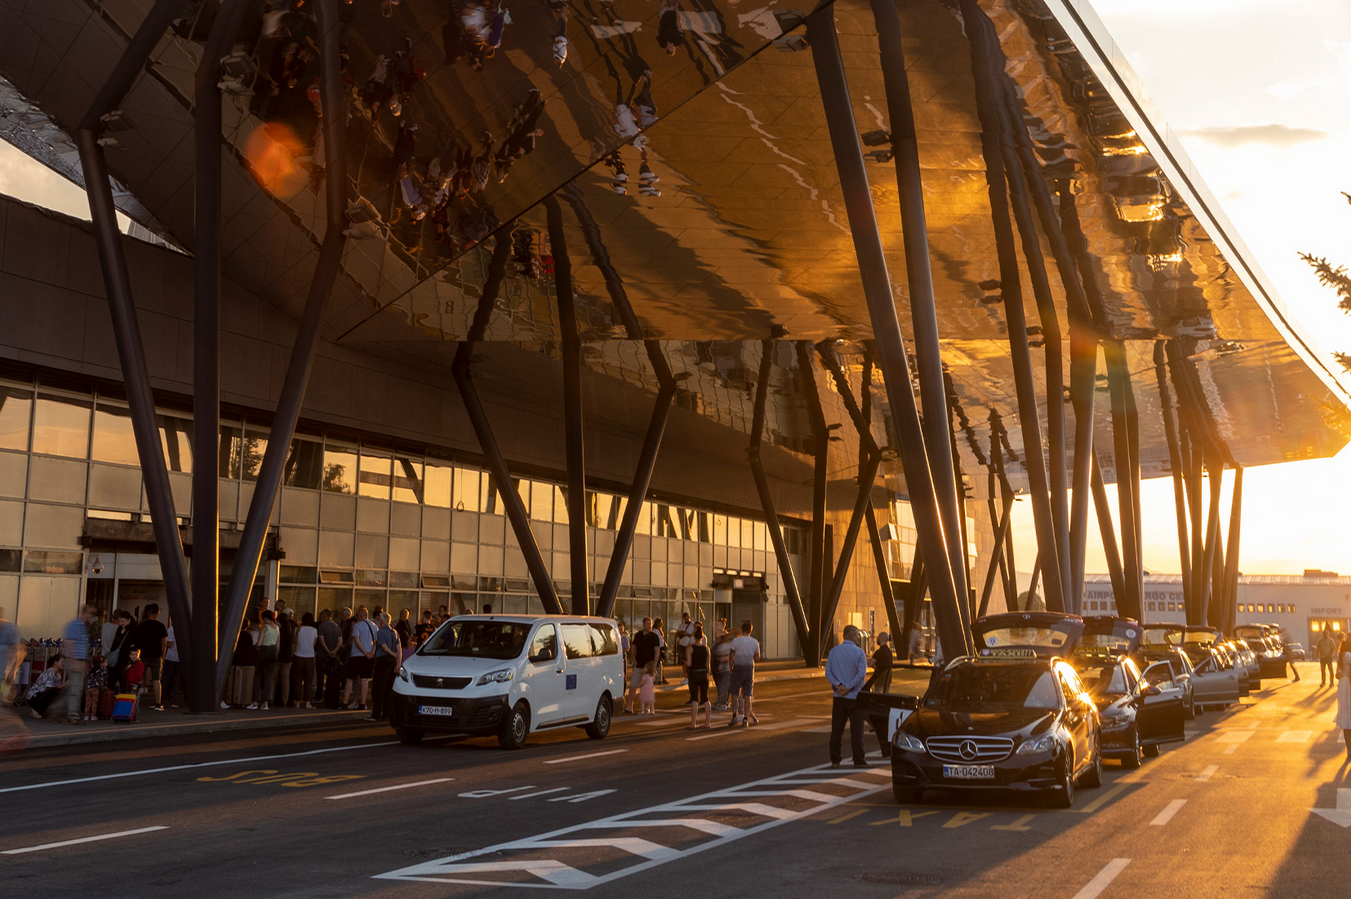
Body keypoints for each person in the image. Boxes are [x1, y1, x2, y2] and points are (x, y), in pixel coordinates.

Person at [825, 624, 870, 768]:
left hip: (838, 696)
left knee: (836, 730)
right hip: (855, 696)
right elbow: (861, 674)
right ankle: (859, 760)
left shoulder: (833, 651)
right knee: (857, 731)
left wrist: (838, 685)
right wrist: (848, 686)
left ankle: (835, 760)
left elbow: (828, 672)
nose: (858, 638)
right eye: (857, 635)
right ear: (852, 636)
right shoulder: (859, 653)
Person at [129, 603, 168, 710]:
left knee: (138, 679)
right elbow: (164, 643)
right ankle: (158, 704)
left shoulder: (141, 625)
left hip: (143, 655)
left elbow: (136, 640)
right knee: (156, 680)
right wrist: (162, 656)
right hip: (156, 655)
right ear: (157, 612)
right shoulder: (160, 626)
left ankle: (133, 701)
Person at [62, 605, 96, 725]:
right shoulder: (75, 625)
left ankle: (59, 710)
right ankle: (72, 715)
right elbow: (70, 643)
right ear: (84, 613)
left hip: (80, 660)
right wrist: (73, 660)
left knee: (76, 688)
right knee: (75, 689)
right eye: (90, 613)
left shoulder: (83, 626)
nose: (91, 617)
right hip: (75, 660)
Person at [344, 608, 378, 710]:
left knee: (350, 679)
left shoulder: (357, 626)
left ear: (361, 616)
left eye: (357, 615)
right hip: (369, 656)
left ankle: (345, 702)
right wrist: (371, 652)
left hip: (357, 655)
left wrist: (364, 652)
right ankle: (363, 703)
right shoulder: (375, 626)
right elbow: (376, 641)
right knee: (365, 680)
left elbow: (357, 641)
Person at [626, 617, 662, 714]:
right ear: (643, 624)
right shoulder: (638, 635)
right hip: (639, 664)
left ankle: (647, 707)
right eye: (647, 623)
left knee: (648, 687)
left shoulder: (654, 637)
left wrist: (654, 664)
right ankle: (630, 706)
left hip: (649, 666)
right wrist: (633, 660)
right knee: (633, 686)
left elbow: (657, 651)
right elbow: (633, 647)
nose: (649, 625)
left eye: (650, 624)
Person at [728, 620, 760, 727]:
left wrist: (730, 668)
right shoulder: (754, 642)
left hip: (737, 668)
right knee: (747, 695)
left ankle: (734, 716)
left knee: (735, 694)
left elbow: (731, 656)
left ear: (742, 630)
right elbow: (757, 656)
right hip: (749, 669)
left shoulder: (736, 641)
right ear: (751, 631)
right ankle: (746, 719)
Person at [370, 611, 401, 721]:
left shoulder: (381, 632)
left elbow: (384, 647)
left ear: (382, 621)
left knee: (378, 688)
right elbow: (399, 649)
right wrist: (398, 663)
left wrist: (392, 654)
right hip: (392, 662)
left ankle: (376, 713)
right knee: (389, 688)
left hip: (382, 661)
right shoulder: (395, 632)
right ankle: (386, 713)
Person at [249, 609, 280, 710]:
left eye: (263, 618)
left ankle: (255, 702)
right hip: (274, 652)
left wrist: (254, 647)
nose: (261, 620)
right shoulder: (277, 628)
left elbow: (259, 643)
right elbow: (278, 645)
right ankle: (266, 703)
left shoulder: (264, 628)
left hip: (264, 651)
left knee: (257, 676)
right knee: (269, 678)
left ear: (266, 618)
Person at [316, 608, 344, 708]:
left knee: (320, 676)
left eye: (322, 615)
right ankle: (331, 695)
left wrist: (327, 651)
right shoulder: (337, 627)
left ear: (326, 616)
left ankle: (319, 696)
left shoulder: (321, 627)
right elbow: (340, 641)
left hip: (322, 655)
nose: (320, 617)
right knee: (331, 677)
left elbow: (321, 641)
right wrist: (334, 651)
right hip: (332, 657)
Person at [685, 624, 712, 729]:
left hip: (694, 673)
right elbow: (707, 665)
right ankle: (707, 722)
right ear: (702, 637)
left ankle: (693, 723)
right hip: (704, 674)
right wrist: (707, 675)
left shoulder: (690, 648)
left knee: (694, 699)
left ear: (693, 636)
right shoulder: (706, 649)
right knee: (706, 699)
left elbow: (689, 663)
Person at [25, 653, 66, 718]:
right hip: (34, 696)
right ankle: (36, 710)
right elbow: (50, 689)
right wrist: (65, 684)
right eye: (62, 662)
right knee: (51, 693)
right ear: (55, 662)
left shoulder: (58, 674)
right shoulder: (49, 673)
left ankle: (42, 711)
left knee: (58, 693)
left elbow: (57, 689)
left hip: (41, 695)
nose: (63, 664)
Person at [292, 612, 318, 709]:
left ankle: (297, 702)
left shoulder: (297, 629)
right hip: (310, 657)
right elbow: (314, 644)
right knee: (308, 680)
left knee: (297, 679)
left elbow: (295, 641)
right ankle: (307, 703)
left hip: (298, 656)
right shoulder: (314, 630)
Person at [1336, 632, 1351, 759]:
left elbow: (1337, 674)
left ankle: (1349, 749)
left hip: (1342, 685)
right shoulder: (1349, 656)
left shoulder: (1340, 656)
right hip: (1349, 686)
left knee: (1346, 718)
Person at [276, 608, 295, 706]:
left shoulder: (278, 629)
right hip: (288, 656)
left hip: (278, 656)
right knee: (285, 679)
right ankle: (285, 699)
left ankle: (272, 698)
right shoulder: (292, 627)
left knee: (274, 678)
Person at [711, 631, 733, 710]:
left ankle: (722, 703)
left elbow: (725, 657)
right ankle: (723, 702)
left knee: (723, 686)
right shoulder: (723, 644)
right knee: (722, 685)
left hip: (724, 668)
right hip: (723, 668)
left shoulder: (724, 645)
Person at [162, 621, 181, 708]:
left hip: (171, 657)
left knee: (166, 679)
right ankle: (174, 701)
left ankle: (160, 699)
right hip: (181, 658)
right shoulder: (184, 629)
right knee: (176, 680)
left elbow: (169, 644)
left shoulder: (171, 630)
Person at [83, 654, 108, 720]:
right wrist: (104, 685)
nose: (107, 664)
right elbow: (104, 679)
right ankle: (93, 715)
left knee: (88, 702)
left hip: (88, 687)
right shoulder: (103, 670)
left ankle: (86, 715)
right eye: (106, 662)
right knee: (94, 702)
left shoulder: (91, 669)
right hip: (95, 687)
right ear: (102, 663)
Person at [676, 612, 696, 685]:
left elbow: (694, 634)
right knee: (684, 662)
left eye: (687, 617)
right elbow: (676, 635)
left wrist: (687, 634)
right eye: (685, 618)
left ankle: (690, 677)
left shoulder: (692, 625)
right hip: (682, 644)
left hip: (689, 645)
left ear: (689, 617)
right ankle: (686, 676)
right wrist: (680, 633)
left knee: (689, 661)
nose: (686, 619)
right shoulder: (681, 625)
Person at [653, 617, 668, 684]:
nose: (662, 624)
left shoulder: (659, 630)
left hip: (661, 647)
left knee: (661, 663)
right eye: (660, 622)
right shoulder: (655, 631)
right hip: (658, 648)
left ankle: (661, 677)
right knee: (658, 663)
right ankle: (658, 677)